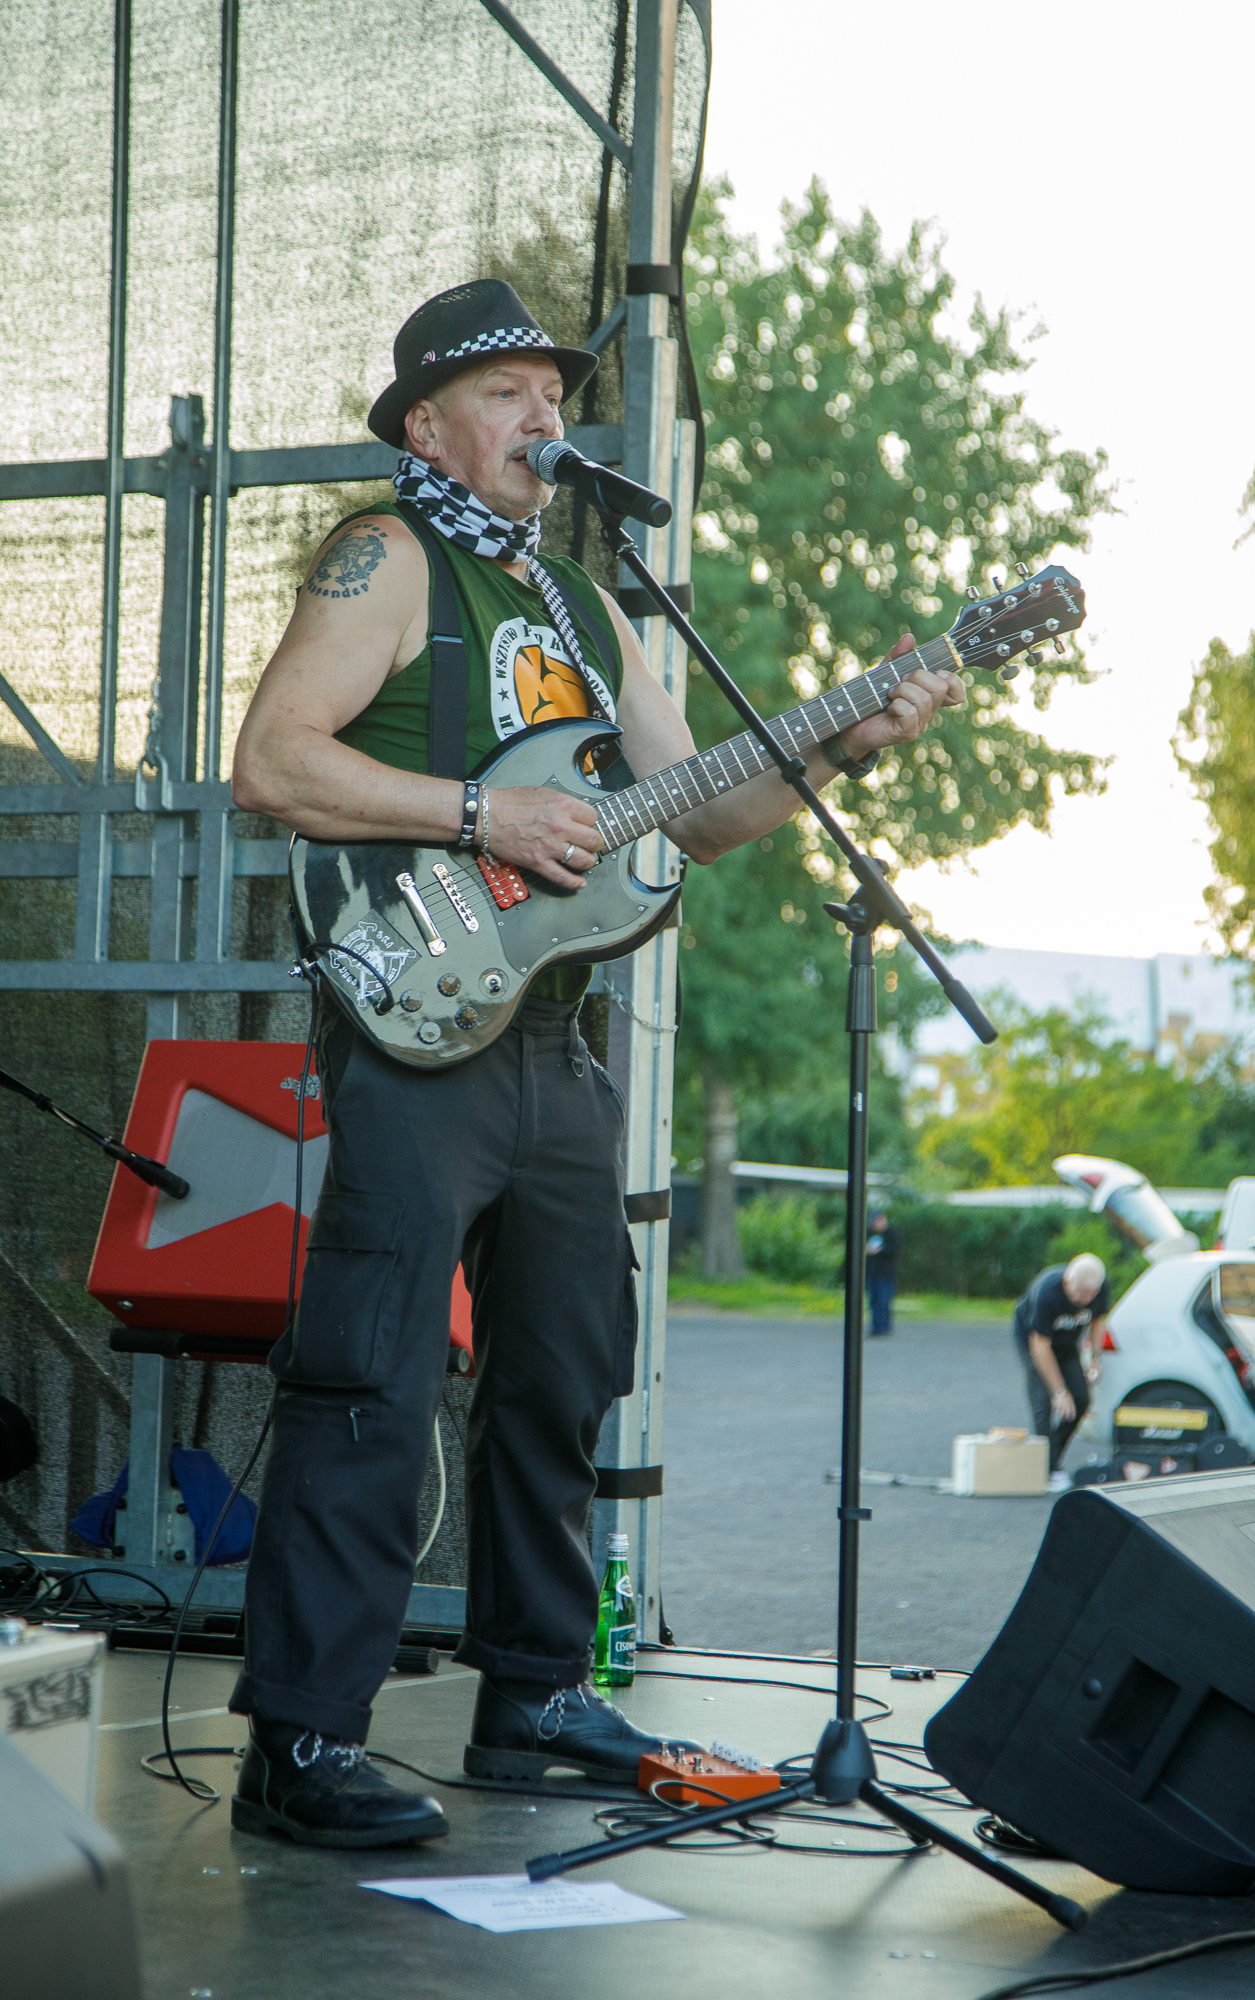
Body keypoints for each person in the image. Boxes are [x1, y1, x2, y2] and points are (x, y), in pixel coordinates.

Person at [226, 279, 965, 1849]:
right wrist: (477, 812)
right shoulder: (387, 558)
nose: (542, 415)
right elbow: (273, 761)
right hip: (418, 1015)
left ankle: (535, 1699)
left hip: (556, 1037)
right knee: (370, 1377)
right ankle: (299, 1740)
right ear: (429, 426)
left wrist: (845, 738)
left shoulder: (585, 605)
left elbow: (699, 810)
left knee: (563, 1368)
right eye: (504, 393)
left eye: (552, 392)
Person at [1013, 1253, 1111, 1490]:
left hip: (1067, 1344)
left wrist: (1095, 1359)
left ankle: (1047, 1459)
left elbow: (1098, 1322)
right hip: (1035, 1343)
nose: (1086, 1300)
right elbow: (1040, 1346)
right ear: (1068, 1283)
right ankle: (1047, 1469)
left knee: (1081, 1399)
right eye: (1081, 1293)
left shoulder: (1099, 1288)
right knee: (1043, 1404)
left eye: (1091, 1294)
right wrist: (1058, 1391)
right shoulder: (1047, 1292)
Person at [864, 1207, 900, 1336]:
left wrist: (877, 1252)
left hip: (886, 1274)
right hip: (872, 1273)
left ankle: (884, 1327)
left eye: (877, 1221)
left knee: (883, 1301)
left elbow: (893, 1251)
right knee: (873, 1301)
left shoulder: (891, 1234)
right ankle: (876, 1327)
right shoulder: (869, 1234)